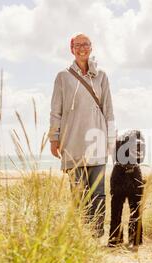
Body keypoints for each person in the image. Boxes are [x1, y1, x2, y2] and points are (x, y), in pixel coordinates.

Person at [49, 33, 116, 238]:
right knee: (79, 193)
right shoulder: (63, 76)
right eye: (77, 45)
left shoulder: (102, 76)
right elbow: (55, 110)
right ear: (71, 49)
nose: (82, 48)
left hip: (97, 139)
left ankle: (96, 234)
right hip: (72, 141)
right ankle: (82, 234)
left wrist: (111, 140)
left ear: (91, 47)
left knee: (98, 193)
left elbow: (109, 110)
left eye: (85, 44)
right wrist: (54, 137)